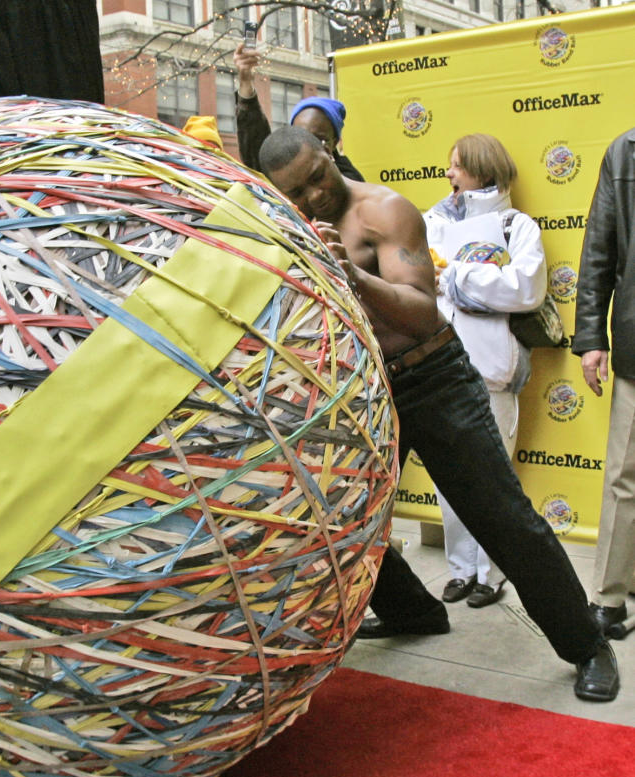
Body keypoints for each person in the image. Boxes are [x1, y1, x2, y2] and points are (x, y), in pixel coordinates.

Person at [256, 125, 619, 703]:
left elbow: (424, 313)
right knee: (346, 520)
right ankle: (411, 611)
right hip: (369, 390)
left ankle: (586, 646)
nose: (316, 197)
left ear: (330, 155)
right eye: (298, 194)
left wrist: (351, 275)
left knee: (503, 519)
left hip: (435, 376)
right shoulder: (292, 226)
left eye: (319, 177)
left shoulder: (385, 210)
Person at [422, 134, 546, 610]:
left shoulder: (518, 227)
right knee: (448, 478)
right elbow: (416, 281)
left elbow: (524, 289)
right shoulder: (430, 222)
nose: (449, 174)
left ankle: (491, 576)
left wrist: (453, 277)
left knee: (495, 481)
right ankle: (461, 571)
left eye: (456, 166)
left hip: (494, 370)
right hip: (442, 368)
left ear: (481, 168)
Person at [575, 126, 635, 639]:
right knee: (624, 477)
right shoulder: (624, 151)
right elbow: (598, 251)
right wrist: (591, 335)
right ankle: (610, 600)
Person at [234, 44, 363, 181]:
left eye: (318, 139)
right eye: (299, 135)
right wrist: (245, 82)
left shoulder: (350, 183)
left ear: (334, 142)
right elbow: (257, 148)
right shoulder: (282, 167)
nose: (306, 145)